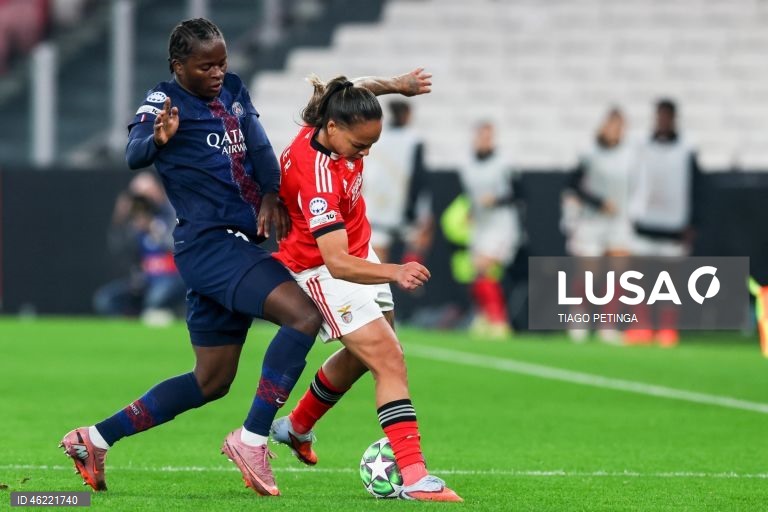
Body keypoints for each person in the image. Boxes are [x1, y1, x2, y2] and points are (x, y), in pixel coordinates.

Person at [59, 18, 324, 497]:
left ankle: (94, 439)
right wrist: (157, 140)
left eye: (222, 62)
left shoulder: (235, 90)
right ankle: (252, 439)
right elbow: (133, 154)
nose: (218, 72)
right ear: (178, 66)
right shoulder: (162, 102)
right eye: (206, 66)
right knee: (304, 317)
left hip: (233, 244)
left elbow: (260, 147)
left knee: (212, 380)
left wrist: (269, 193)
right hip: (211, 244)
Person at [267, 71, 462, 502]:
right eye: (360, 146)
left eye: (371, 144)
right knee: (390, 358)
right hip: (324, 268)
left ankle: (296, 427)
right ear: (333, 129)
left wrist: (397, 85)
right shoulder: (318, 179)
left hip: (359, 251)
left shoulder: (334, 115)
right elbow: (336, 263)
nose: (364, 153)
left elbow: (355, 87)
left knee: (367, 355)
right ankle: (414, 477)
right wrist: (395, 271)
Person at [625, 98, 701, 346]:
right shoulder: (641, 146)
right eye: (660, 116)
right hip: (645, 223)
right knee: (639, 279)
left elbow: (697, 188)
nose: (663, 121)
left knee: (669, 281)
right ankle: (641, 326)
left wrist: (693, 223)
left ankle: (667, 328)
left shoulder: (686, 150)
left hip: (673, 226)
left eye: (667, 116)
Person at [563, 108, 634, 343]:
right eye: (611, 125)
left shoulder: (630, 155)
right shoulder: (590, 154)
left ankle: (608, 325)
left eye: (619, 127)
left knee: (616, 274)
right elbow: (573, 185)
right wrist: (599, 202)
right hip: (591, 222)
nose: (615, 131)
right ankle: (579, 318)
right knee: (588, 273)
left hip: (619, 222)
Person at [459, 121, 521, 339]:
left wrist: (497, 199)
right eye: (480, 136)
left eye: (488, 136)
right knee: (478, 271)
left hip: (501, 225)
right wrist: (471, 211)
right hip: (481, 226)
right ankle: (486, 317)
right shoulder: (468, 166)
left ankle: (498, 320)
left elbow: (520, 193)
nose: (484, 140)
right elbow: (471, 196)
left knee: (483, 266)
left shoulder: (504, 163)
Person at [92, 192, 186, 325]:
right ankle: (127, 330)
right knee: (105, 299)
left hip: (171, 279)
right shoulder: (134, 235)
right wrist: (119, 217)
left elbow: (177, 245)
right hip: (145, 282)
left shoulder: (166, 224)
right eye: (135, 216)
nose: (139, 220)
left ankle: (159, 315)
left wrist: (157, 233)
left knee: (154, 299)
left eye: (142, 214)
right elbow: (117, 247)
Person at [362, 100, 433, 264]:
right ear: (408, 115)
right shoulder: (414, 141)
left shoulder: (374, 139)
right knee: (421, 239)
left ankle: (379, 287)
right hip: (404, 210)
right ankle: (412, 280)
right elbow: (419, 177)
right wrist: (420, 212)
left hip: (375, 210)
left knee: (377, 265)